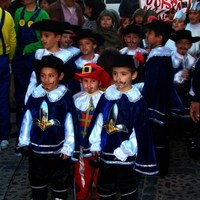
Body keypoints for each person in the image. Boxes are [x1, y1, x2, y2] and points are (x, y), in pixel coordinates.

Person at [86, 54, 158, 199]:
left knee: (127, 187)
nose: (118, 78)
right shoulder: (107, 96)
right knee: (105, 187)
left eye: (123, 74)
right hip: (106, 153)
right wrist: (95, 143)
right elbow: (99, 120)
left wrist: (126, 150)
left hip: (125, 155)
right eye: (115, 74)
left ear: (134, 75)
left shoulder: (136, 101)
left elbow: (140, 131)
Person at [17, 55, 78, 200]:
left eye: (51, 76)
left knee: (60, 181)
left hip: (58, 150)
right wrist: (24, 141)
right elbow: (27, 119)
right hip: (36, 148)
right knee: (38, 181)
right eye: (43, 76)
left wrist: (68, 147)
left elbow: (70, 124)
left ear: (60, 76)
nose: (46, 80)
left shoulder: (64, 98)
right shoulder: (35, 95)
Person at [142, 19, 184, 176]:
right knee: (160, 136)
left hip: (156, 101)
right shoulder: (161, 54)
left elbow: (152, 83)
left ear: (159, 37)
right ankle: (160, 165)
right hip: (161, 99)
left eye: (150, 33)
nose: (146, 35)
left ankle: (159, 166)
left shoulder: (158, 59)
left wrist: (143, 94)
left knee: (158, 136)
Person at [73, 62, 112, 200]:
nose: (89, 85)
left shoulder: (106, 99)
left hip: (99, 148)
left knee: (101, 178)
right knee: (82, 178)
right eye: (85, 81)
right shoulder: (76, 99)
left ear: (99, 81)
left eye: (93, 81)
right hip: (82, 148)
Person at [11, 0, 49, 130]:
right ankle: (20, 126)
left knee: (33, 91)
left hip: (34, 58)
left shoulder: (43, 14)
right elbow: (14, 35)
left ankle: (34, 126)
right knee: (19, 94)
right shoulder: (17, 12)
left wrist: (29, 47)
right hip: (19, 59)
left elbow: (46, 39)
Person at [24, 19, 74, 104]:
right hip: (39, 97)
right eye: (41, 35)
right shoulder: (38, 55)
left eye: (46, 36)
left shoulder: (67, 57)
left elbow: (71, 84)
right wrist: (28, 100)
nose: (43, 39)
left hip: (60, 100)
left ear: (57, 37)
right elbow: (33, 80)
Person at [0, 0, 16, 150]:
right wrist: (9, 57)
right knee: (3, 99)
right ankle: (3, 136)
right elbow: (12, 40)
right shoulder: (7, 16)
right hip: (3, 60)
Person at [170, 30, 200, 106]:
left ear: (190, 45)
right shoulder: (168, 58)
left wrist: (189, 75)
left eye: (186, 43)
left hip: (184, 98)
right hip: (169, 95)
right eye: (180, 42)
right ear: (176, 44)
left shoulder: (193, 61)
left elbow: (194, 81)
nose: (183, 46)